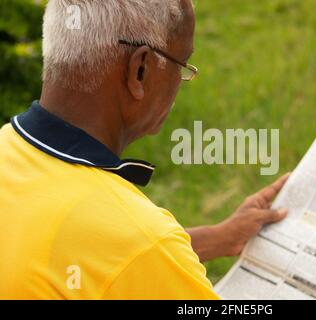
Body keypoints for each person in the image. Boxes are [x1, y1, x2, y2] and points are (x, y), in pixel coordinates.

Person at [0, 0, 289, 299]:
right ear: (139, 70)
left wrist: (219, 237)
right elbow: (129, 252)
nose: (182, 80)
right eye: (182, 64)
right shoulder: (141, 239)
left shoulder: (8, 147)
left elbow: (98, 256)